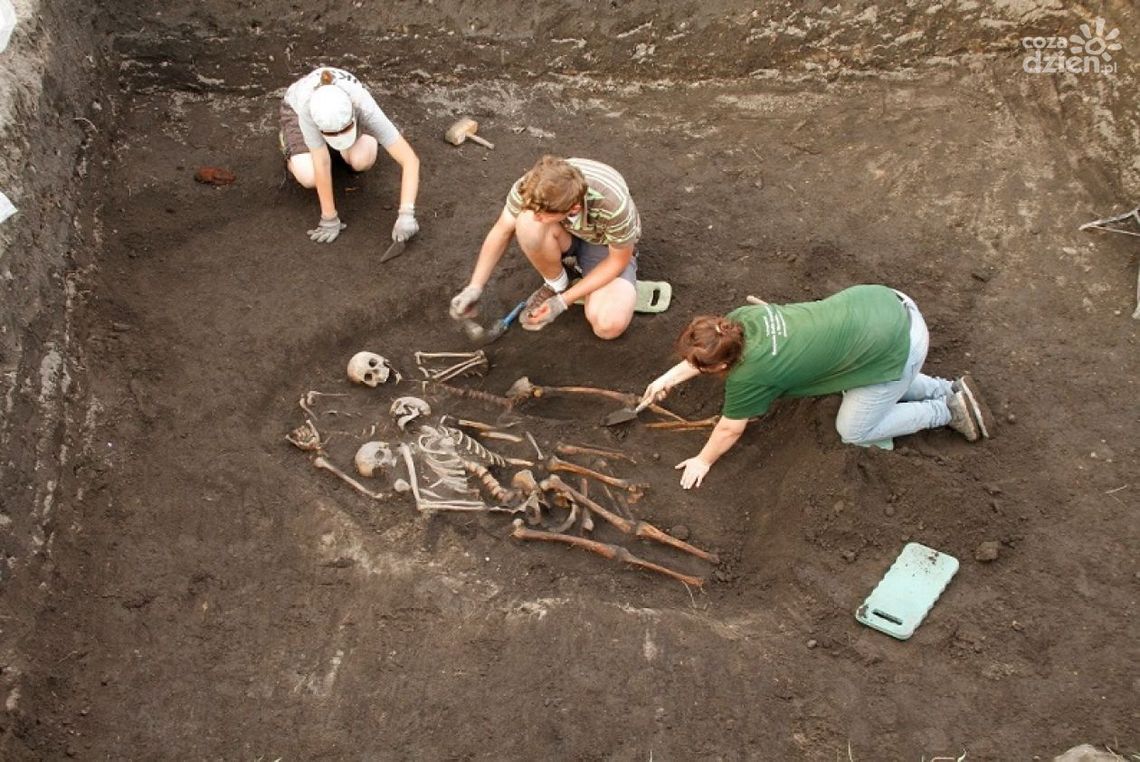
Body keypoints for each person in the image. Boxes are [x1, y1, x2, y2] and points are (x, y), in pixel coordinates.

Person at [640, 285, 993, 489]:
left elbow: (730, 428)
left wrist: (703, 461)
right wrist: (665, 380)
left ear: (723, 365)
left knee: (854, 429)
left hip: (901, 344)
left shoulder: (751, 375)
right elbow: (708, 354)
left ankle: (947, 409)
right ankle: (944, 387)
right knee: (859, 374)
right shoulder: (741, 321)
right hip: (885, 303)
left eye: (703, 368)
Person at [449, 155, 640, 339]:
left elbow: (617, 261)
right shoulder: (533, 186)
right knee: (526, 223)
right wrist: (474, 287)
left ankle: (578, 279)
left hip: (604, 245)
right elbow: (502, 230)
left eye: (542, 215)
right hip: (565, 231)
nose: (536, 217)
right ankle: (557, 284)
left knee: (608, 325)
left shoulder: (613, 204)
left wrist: (562, 303)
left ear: (573, 208)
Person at [279, 67, 420, 246]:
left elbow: (410, 159)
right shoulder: (307, 109)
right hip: (296, 111)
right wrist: (329, 218)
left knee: (363, 160)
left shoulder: (362, 104)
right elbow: (321, 162)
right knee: (309, 176)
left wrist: (406, 213)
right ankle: (291, 145)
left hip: (349, 112)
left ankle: (340, 148)